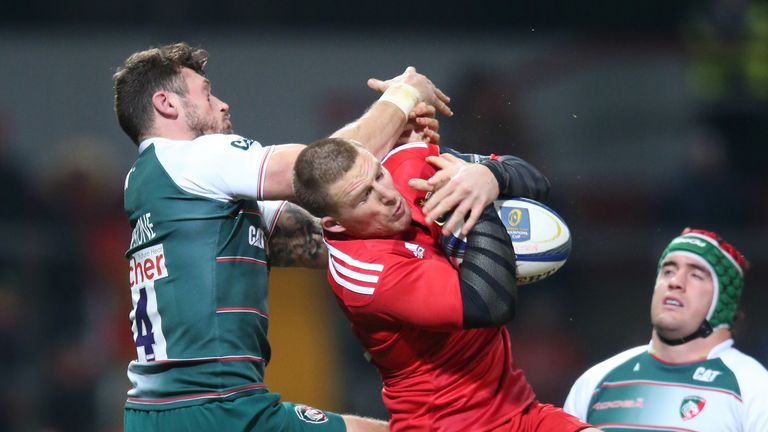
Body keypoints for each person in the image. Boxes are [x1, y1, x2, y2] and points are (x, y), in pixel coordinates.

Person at [113, 41, 452, 432]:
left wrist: (403, 153)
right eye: (206, 94)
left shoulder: (157, 184)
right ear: (167, 104)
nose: (223, 104)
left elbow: (325, 237)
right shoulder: (194, 157)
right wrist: (404, 96)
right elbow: (327, 171)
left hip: (153, 414)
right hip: (217, 409)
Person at [292, 137, 599, 431]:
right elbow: (489, 305)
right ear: (335, 223)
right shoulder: (365, 276)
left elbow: (536, 182)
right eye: (363, 197)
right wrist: (479, 198)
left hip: (521, 409)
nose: (387, 194)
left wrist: (489, 174)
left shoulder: (408, 164)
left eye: (379, 174)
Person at [564, 228, 768, 431]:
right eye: (668, 271)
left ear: (723, 301)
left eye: (696, 275)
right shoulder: (596, 381)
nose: (675, 282)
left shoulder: (754, 389)